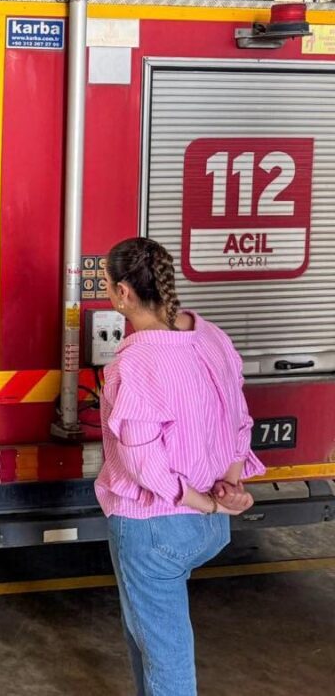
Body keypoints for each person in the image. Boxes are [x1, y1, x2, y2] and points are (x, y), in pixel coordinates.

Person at [96, 237, 264, 696]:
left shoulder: (133, 364)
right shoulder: (210, 336)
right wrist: (229, 487)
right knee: (149, 636)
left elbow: (146, 468)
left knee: (165, 654)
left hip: (155, 531)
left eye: (109, 286)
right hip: (205, 530)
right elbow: (237, 418)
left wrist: (206, 502)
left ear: (124, 294)